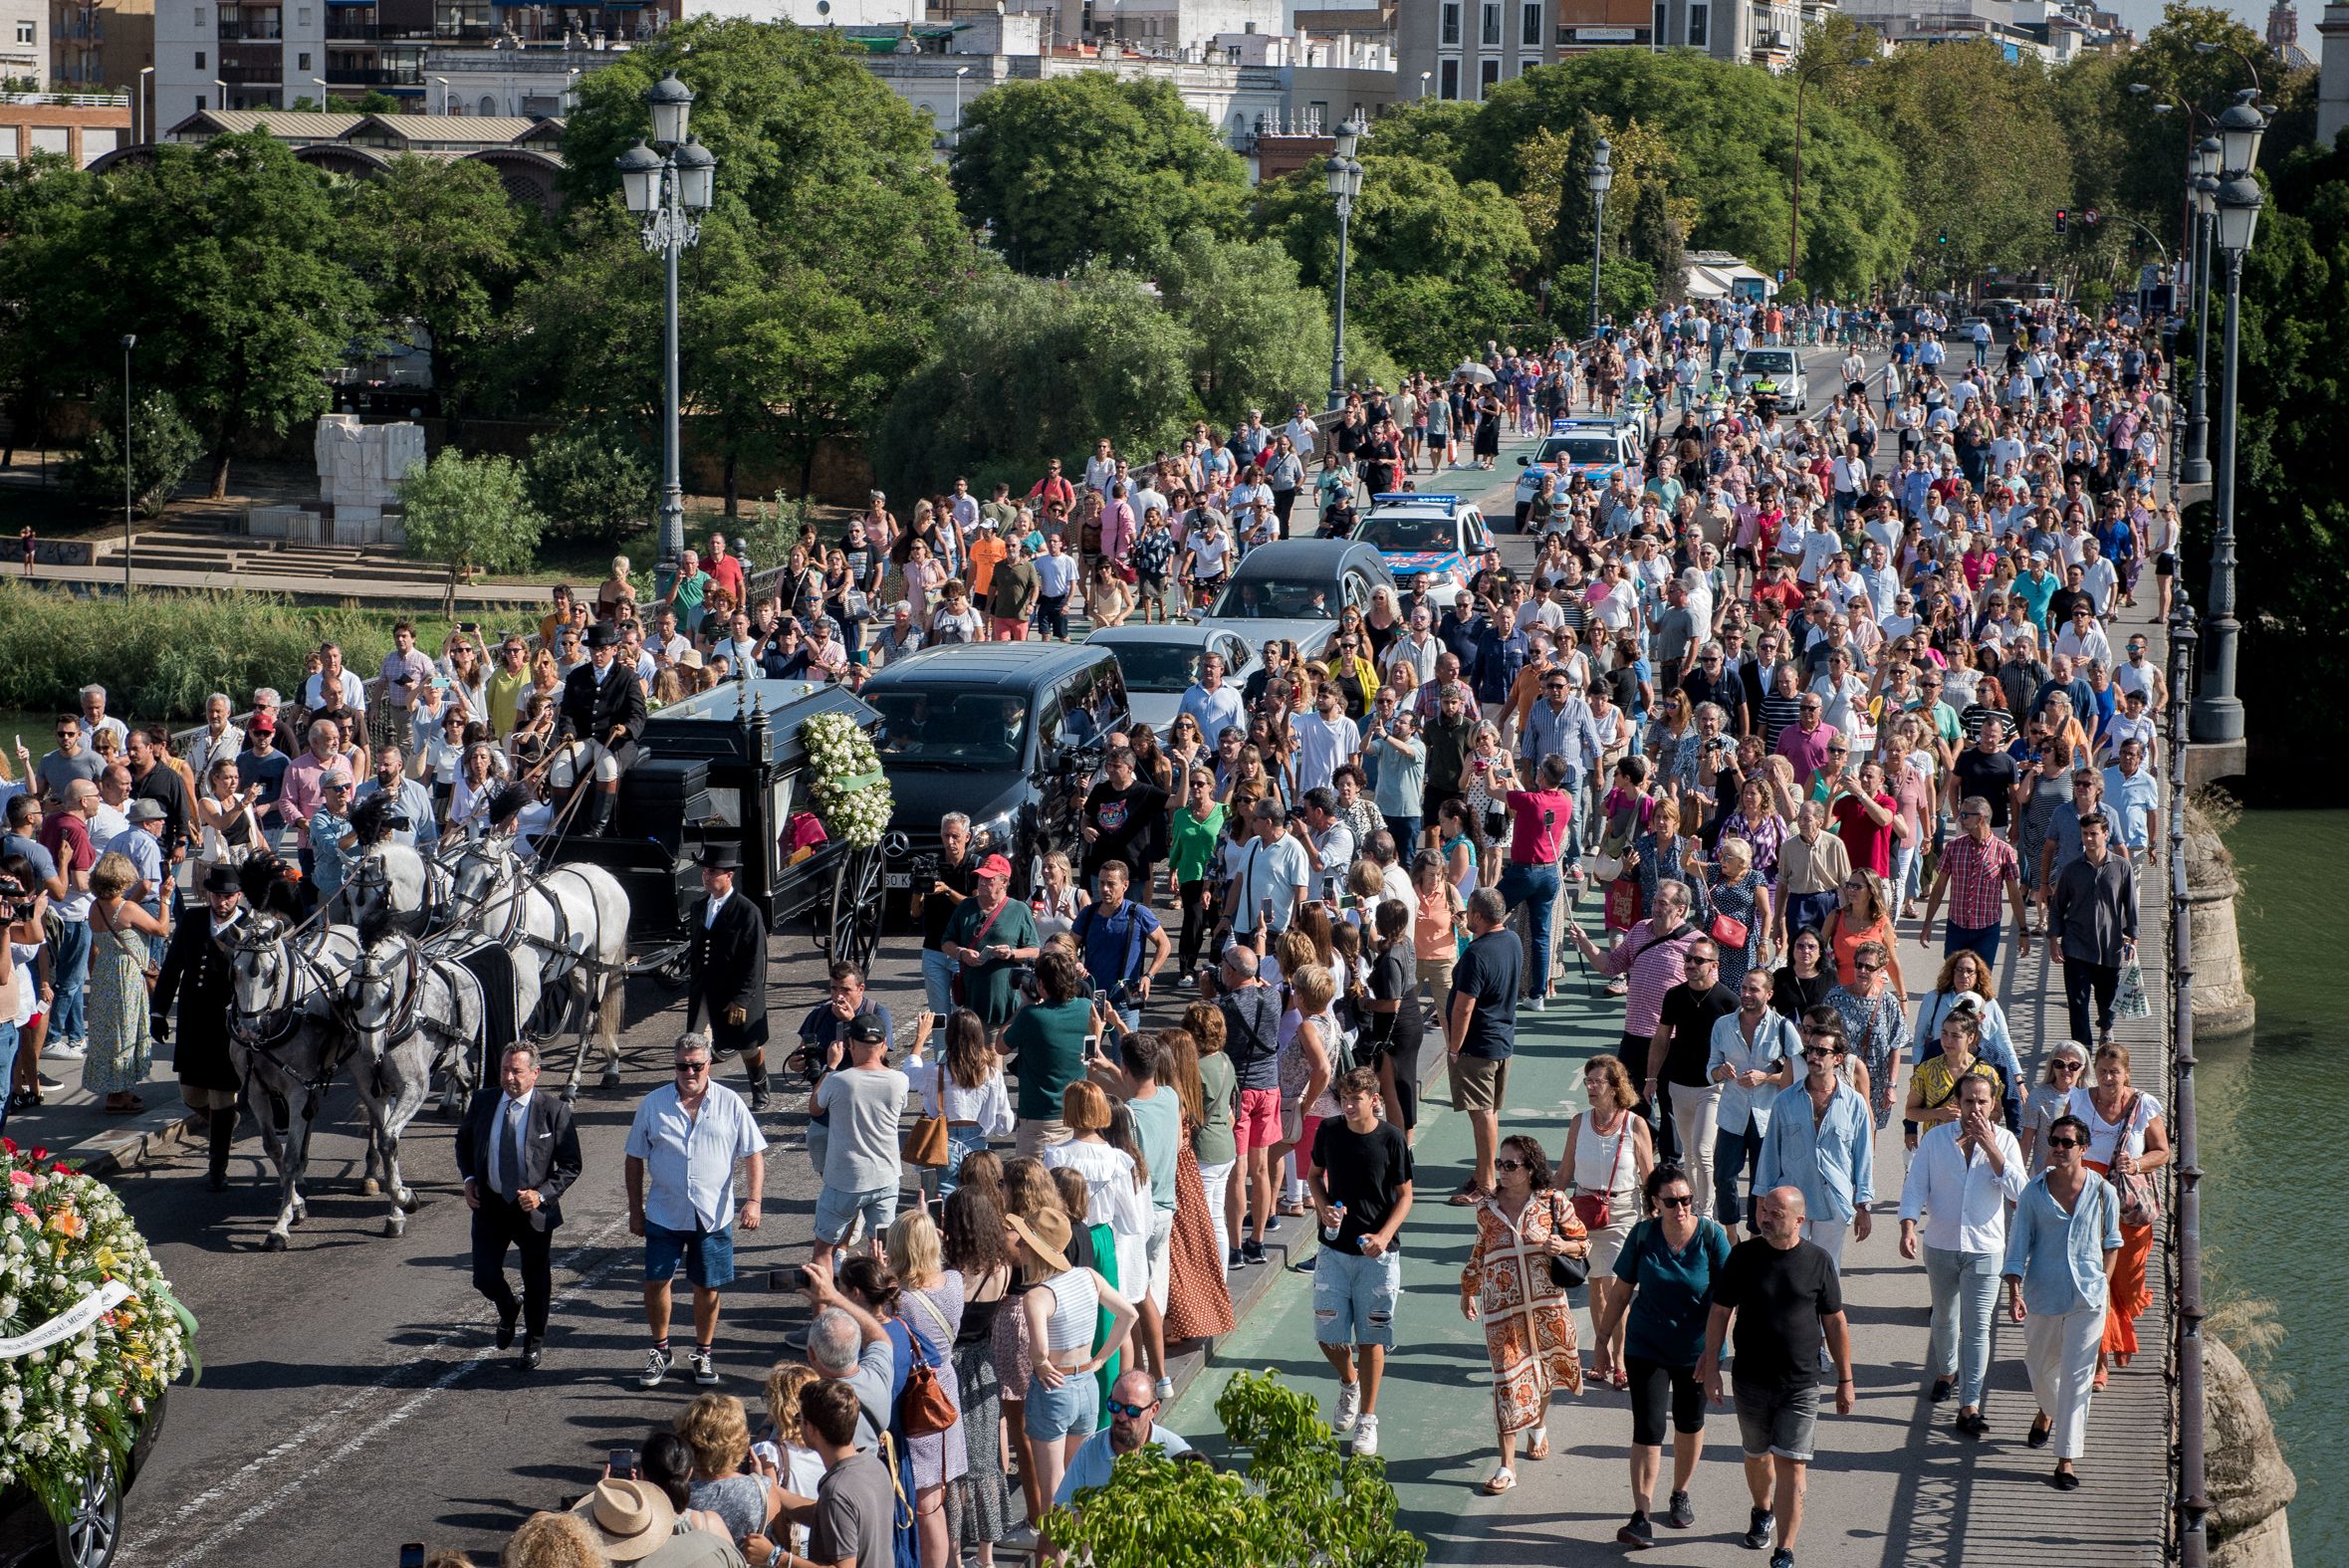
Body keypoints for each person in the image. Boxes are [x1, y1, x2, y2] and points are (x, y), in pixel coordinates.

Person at [1698, 1186, 1854, 1567]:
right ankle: (1761, 1508)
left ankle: (1785, 1549)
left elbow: (1834, 1321)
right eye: (1764, 1211)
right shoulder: (1744, 1256)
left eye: (1776, 1213)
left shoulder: (1818, 1262)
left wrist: (1845, 1380)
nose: (1765, 1218)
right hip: (1750, 1380)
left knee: (1792, 1463)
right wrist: (1712, 1365)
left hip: (1801, 1383)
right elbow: (1720, 1312)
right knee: (1756, 1455)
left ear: (1799, 1220)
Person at [1598, 1163, 1734, 1547]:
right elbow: (1621, 1291)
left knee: (1689, 1424)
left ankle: (1680, 1493)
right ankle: (1640, 1515)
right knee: (1648, 1427)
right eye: (1672, 1201)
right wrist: (1603, 1339)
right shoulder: (1643, 1236)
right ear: (1655, 1203)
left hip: (1697, 1351)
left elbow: (1726, 1302)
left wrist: (1713, 1353)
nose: (1682, 1208)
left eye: (1687, 1199)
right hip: (1647, 1348)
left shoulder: (1710, 1236)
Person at [625, 1033, 768, 1391]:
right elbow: (634, 1157)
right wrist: (635, 1210)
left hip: (712, 1215)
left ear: (709, 1065)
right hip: (664, 1213)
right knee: (657, 1282)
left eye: (696, 1065)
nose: (689, 1072)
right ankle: (661, 1349)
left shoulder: (730, 1103)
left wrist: (754, 1200)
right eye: (682, 1065)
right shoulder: (653, 1104)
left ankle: (703, 1352)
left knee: (707, 1287)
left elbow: (753, 1153)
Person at [1459, 1132, 1589, 1494]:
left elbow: (1583, 1243)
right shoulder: (1487, 1208)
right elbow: (1480, 1251)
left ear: (1531, 1169)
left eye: (1510, 1164)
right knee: (1507, 1381)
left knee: (1544, 1371)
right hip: (1503, 1311)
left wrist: (1563, 1244)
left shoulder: (1553, 1202)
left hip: (1547, 1307)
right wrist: (1468, 1290)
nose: (1502, 1170)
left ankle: (1538, 1425)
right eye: (1500, 1163)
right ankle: (1507, 1466)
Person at [1898, 1070, 2024, 1435]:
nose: (1975, 1109)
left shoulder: (2005, 1141)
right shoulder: (1937, 1140)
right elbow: (1915, 1185)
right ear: (1957, 1102)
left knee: (1978, 1327)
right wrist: (1907, 1225)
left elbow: (2020, 1192)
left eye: (1982, 1101)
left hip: (1985, 1249)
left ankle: (1970, 1405)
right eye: (1968, 1101)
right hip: (1940, 1243)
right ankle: (1947, 1370)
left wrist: (1992, 1149)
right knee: (1944, 1318)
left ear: (1993, 1105)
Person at [2003, 1114, 2122, 1490]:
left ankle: (2066, 1459)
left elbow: (2112, 1242)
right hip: (2044, 1293)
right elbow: (2018, 1244)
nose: (2058, 1147)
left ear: (2083, 1149)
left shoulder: (2104, 1192)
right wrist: (2014, 1290)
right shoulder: (2033, 1193)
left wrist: (2102, 1283)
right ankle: (2047, 1411)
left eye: (2066, 1142)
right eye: (2054, 1141)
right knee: (2038, 1365)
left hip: (2088, 1297)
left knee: (2077, 1378)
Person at [453, 1041, 583, 1372]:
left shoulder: (554, 1111)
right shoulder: (483, 1102)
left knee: (536, 1278)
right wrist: (469, 1178)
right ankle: (509, 1307)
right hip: (491, 1204)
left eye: (517, 1071)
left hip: (531, 1210)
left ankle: (533, 1341)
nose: (510, 1078)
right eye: (505, 1070)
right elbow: (464, 1142)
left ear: (535, 1073)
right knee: (483, 1276)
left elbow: (570, 1165)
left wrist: (541, 1195)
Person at [1306, 1067, 1414, 1458]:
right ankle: (1349, 1383)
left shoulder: (1392, 1139)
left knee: (1371, 1339)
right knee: (1327, 1335)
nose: (1349, 1106)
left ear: (1374, 1100)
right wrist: (1322, 1209)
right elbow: (1315, 1175)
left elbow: (1405, 1196)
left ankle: (1367, 1418)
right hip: (1333, 1252)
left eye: (1356, 1099)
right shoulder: (1329, 1131)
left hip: (1378, 1258)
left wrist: (1383, 1237)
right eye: (1343, 1099)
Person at [1007, 1203, 1140, 1508]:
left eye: (1025, 1240)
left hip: (1055, 1388)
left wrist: (1039, 1363)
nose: (1020, 1245)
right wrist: (1102, 1359)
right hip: (1087, 1385)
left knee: (1052, 1482)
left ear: (1037, 1249)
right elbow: (1128, 1315)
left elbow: (1039, 1350)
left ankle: (1056, 1551)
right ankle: (1084, 1548)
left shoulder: (1037, 1296)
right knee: (1081, 1478)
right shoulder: (1088, 1276)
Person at [2066, 1042, 2169, 1380]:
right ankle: (2100, 1361)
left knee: (2128, 1284)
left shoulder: (2143, 1105)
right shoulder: (2080, 1101)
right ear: (2094, 1071)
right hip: (2089, 1202)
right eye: (2103, 1071)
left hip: (2128, 1207)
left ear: (2127, 1074)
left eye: (2115, 1072)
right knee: (2099, 1279)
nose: (2109, 1077)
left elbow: (2162, 1151)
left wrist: (2137, 1164)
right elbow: (2065, 1146)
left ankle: (2117, 1332)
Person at [147, 861, 246, 1187]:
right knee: (191, 1094)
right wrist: (158, 1012)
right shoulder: (191, 920)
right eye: (217, 895)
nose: (222, 902)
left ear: (239, 896)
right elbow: (172, 967)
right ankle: (226, 1123)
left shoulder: (250, 928)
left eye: (229, 896)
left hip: (228, 1025)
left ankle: (217, 1166)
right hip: (193, 1022)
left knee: (221, 1096)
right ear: (208, 895)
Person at [1755, 1012, 1874, 1280]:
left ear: (1838, 1058)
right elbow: (1770, 1153)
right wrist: (1762, 1201)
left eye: (1822, 1051)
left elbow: (1863, 1156)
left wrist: (1863, 1206)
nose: (1814, 1056)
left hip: (1834, 1201)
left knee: (1826, 1272)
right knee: (1789, 1270)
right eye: (1810, 1049)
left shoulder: (1854, 1104)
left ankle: (1823, 1323)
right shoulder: (1785, 1100)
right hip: (1792, 1198)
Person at [1564, 1053, 1654, 1387]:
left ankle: (1620, 1359)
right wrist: (1546, 1206)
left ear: (1614, 1086)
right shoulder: (1579, 1122)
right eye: (1587, 1081)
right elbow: (1564, 1172)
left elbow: (1649, 1176)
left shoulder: (1635, 1124)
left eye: (1596, 1081)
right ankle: (1600, 1357)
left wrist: (1655, 1215)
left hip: (1623, 1213)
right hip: (1584, 1212)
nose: (1589, 1086)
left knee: (1619, 1290)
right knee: (1597, 1285)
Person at [745, 1379, 894, 1568]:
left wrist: (775, 1557)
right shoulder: (874, 1467)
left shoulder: (837, 1492)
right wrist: (765, 1487)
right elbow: (826, 1516)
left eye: (800, 1419)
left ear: (812, 1429)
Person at [809, 1015, 907, 1269]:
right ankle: (881, 1307)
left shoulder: (838, 1080)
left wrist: (831, 1066)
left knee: (823, 1251)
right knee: (882, 1251)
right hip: (885, 1178)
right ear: (883, 1044)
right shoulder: (899, 1081)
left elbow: (815, 1108)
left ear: (850, 1044)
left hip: (845, 1181)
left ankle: (823, 1306)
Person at [1444, 887, 1520, 1207]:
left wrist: (1454, 1047)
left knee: (1481, 1114)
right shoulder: (1511, 940)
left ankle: (1487, 1182)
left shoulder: (1477, 954)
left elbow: (1464, 1007)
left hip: (1477, 1047)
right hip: (1501, 1041)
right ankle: (1483, 1170)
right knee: (1489, 1113)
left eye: (1469, 912)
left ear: (1477, 916)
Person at [1649, 940, 1738, 1214]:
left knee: (1702, 1152)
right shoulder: (1674, 996)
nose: (1690, 964)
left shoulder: (1728, 1001)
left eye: (1698, 960)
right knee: (1688, 1154)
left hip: (1712, 1088)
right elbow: (1661, 1038)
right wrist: (1651, 1078)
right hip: (1678, 1084)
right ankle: (1691, 1208)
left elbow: (1739, 1044)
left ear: (1714, 966)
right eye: (1688, 958)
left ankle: (1706, 1212)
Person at [685, 846, 774, 1111]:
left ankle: (760, 1087)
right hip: (705, 990)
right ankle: (698, 1094)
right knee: (695, 1042)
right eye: (704, 871)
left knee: (747, 1045)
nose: (706, 876)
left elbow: (754, 960)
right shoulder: (699, 907)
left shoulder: (747, 911)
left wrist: (742, 999)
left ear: (729, 876)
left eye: (713, 871)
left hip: (735, 992)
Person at [81, 850, 165, 1116]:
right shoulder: (126, 908)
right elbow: (161, 929)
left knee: (108, 1032)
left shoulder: (96, 907)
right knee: (125, 1030)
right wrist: (165, 899)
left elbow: (96, 946)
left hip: (105, 972)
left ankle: (117, 1088)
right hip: (126, 975)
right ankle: (119, 1095)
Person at [1051, 1366, 1193, 1513]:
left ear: (1153, 1410)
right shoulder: (1090, 1448)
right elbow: (1060, 1514)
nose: (1122, 1417)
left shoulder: (1177, 1453)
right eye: (1114, 1406)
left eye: (1133, 1410)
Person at [2048, 813, 2138, 1047]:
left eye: (2093, 834)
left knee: (2107, 999)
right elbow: (2057, 907)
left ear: (2105, 835)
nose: (2088, 839)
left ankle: (2106, 1026)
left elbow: (2130, 906)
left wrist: (2133, 939)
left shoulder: (2122, 867)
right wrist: (2053, 939)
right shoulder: (2070, 870)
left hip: (2110, 945)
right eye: (2085, 834)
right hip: (2076, 945)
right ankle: (2082, 1049)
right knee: (2077, 1001)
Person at [557, 621, 647, 835]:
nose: (598, 654)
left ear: (614, 650)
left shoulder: (628, 678)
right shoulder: (576, 676)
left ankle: (597, 828)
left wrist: (625, 729)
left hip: (613, 739)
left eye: (603, 650)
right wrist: (568, 731)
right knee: (558, 772)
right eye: (594, 649)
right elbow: (567, 711)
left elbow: (638, 714)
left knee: (607, 769)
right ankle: (564, 826)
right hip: (583, 738)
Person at [1921, 793, 2031, 966]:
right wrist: (1927, 923)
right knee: (1952, 983)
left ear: (1980, 818)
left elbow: (2014, 894)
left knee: (1982, 985)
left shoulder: (2004, 851)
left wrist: (2023, 930)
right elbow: (1939, 888)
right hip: (1956, 927)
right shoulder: (1953, 847)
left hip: (1987, 930)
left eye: (1965, 815)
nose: (1960, 819)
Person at [943, 854, 1041, 1046]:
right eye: (980, 877)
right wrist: (962, 953)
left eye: (989, 879)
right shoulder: (966, 907)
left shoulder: (1019, 910)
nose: (982, 882)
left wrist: (1011, 953)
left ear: (1004, 882)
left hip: (1002, 1001)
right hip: (971, 999)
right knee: (968, 1055)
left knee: (993, 1055)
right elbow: (946, 943)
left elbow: (1035, 951)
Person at [1003, 948, 1091, 1155]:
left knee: (1032, 1185)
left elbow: (1000, 1045)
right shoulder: (1088, 1008)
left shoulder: (1032, 1016)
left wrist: (1023, 1007)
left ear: (1041, 985)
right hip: (1077, 1114)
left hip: (1039, 1120)